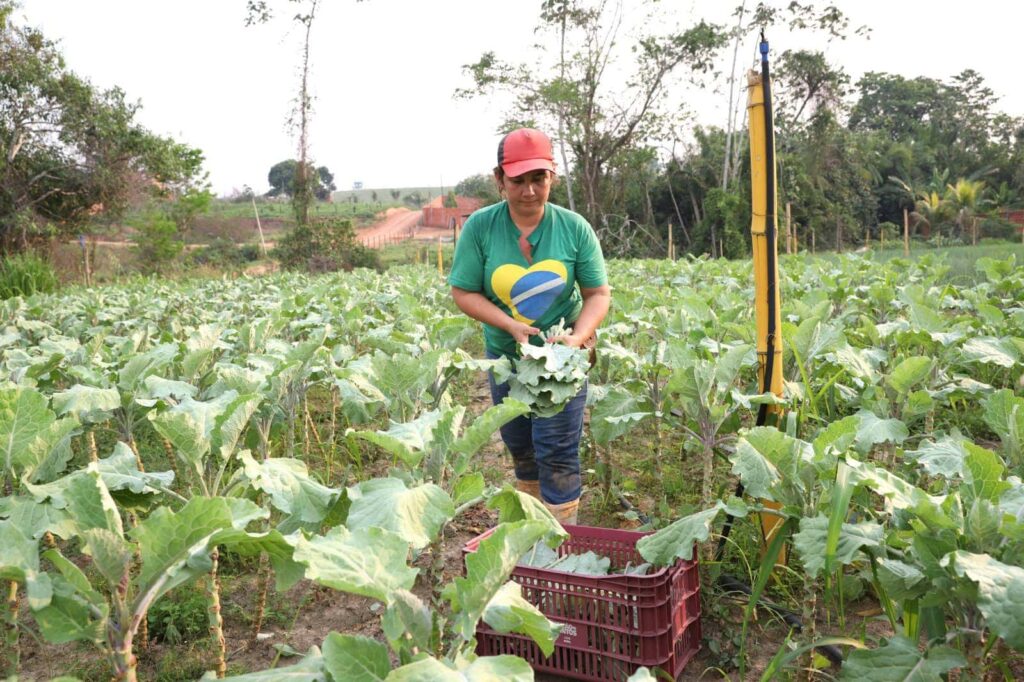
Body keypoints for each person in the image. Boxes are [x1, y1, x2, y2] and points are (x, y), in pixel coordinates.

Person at [447, 128, 611, 525]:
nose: (530, 191)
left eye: (539, 178)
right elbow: (463, 291)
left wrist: (578, 337)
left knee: (557, 451)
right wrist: (510, 325)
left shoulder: (573, 228)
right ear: (499, 179)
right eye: (518, 180)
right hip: (506, 356)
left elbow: (597, 293)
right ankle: (531, 530)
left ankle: (559, 541)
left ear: (552, 176)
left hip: (562, 361)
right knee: (520, 445)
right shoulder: (481, 227)